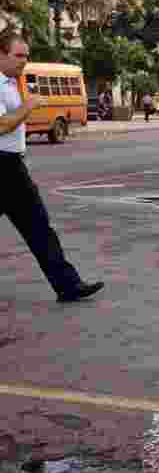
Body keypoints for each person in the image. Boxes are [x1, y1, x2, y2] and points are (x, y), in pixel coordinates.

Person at [0, 31, 105, 304]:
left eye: (27, 55)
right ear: (1, 54)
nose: (25, 61)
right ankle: (67, 284)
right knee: (37, 225)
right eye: (18, 55)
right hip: (2, 164)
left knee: (38, 227)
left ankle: (67, 285)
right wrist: (29, 105)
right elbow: (2, 125)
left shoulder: (13, 82)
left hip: (11, 165)